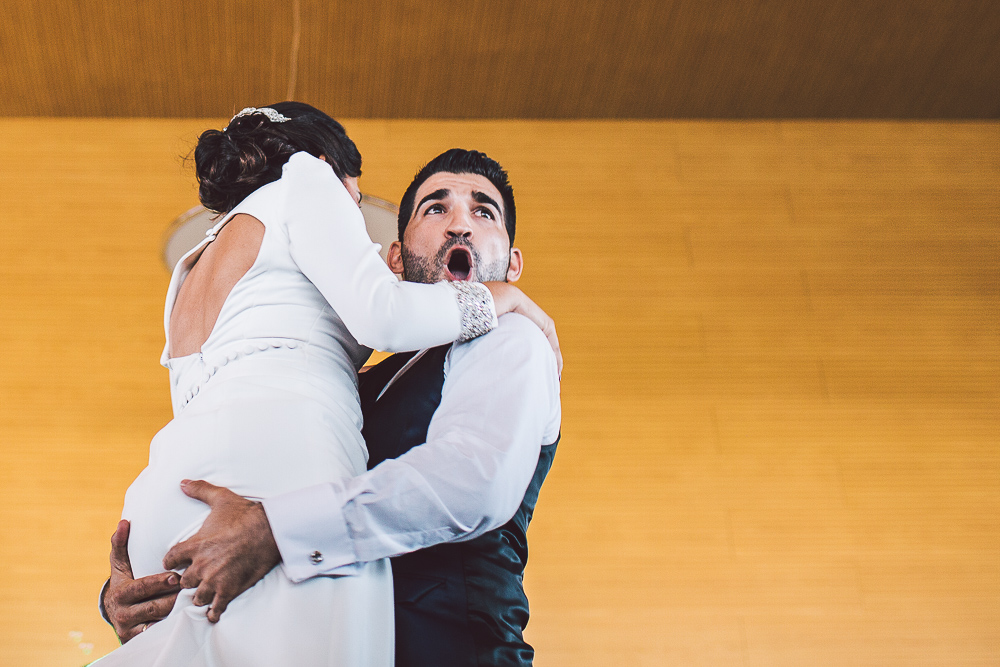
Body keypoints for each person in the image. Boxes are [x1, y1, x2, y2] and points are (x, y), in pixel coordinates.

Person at [94, 105, 557, 666]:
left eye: (483, 212)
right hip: (249, 518)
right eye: (436, 208)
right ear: (391, 259)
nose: (460, 223)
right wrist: (124, 599)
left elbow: (474, 482)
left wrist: (269, 531)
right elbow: (382, 317)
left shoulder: (514, 342)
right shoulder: (310, 192)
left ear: (512, 261)